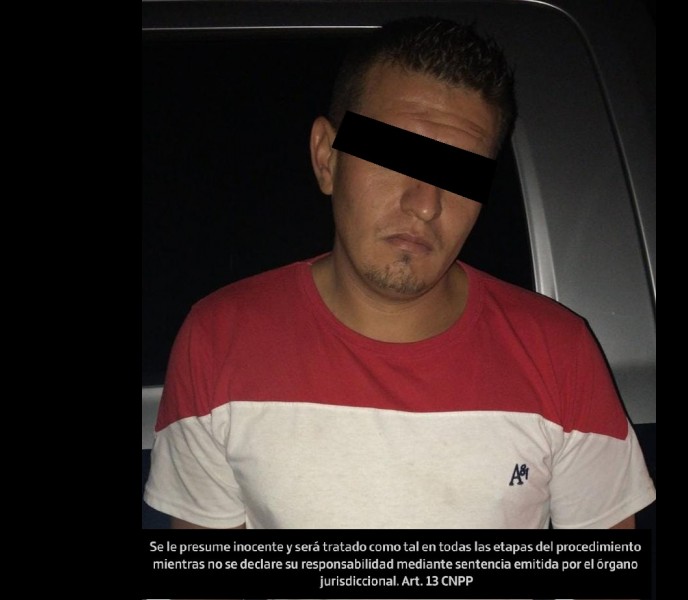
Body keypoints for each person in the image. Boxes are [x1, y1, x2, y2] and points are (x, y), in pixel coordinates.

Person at [144, 16, 655, 529]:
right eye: (395, 158)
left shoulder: (560, 353)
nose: (426, 204)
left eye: (459, 172)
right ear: (326, 158)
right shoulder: (219, 340)